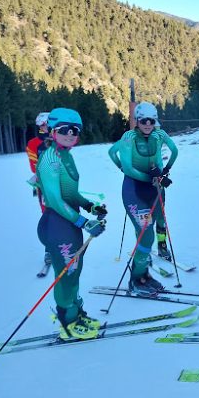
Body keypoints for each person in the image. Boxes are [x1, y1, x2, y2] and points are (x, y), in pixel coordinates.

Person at [36, 108, 106, 339]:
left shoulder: (66, 155)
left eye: (75, 130)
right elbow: (55, 200)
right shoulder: (50, 159)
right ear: (53, 131)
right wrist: (84, 222)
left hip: (69, 225)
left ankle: (76, 313)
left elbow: (70, 193)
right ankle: (67, 322)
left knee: (74, 271)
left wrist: (89, 206)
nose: (70, 134)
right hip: (57, 225)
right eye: (64, 130)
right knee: (66, 275)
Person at [108, 102, 177, 294]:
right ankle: (136, 280)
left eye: (151, 120)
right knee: (147, 235)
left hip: (153, 189)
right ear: (137, 121)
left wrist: (164, 171)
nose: (147, 124)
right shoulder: (128, 137)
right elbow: (119, 159)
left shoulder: (157, 135)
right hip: (134, 191)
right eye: (143, 120)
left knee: (147, 234)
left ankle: (144, 275)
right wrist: (123, 168)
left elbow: (174, 151)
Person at [26, 111, 52, 275]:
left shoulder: (59, 139)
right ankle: (49, 249)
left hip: (60, 184)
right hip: (44, 185)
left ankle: (65, 244)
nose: (47, 127)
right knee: (48, 215)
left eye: (50, 124)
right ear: (40, 126)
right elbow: (33, 165)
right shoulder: (34, 143)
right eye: (45, 124)